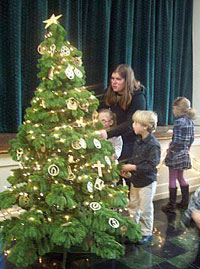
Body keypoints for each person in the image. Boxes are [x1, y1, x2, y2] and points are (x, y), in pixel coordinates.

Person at [121, 110, 161, 244]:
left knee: (145, 209)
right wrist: (127, 167)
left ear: (145, 126)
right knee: (133, 205)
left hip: (147, 182)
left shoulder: (154, 145)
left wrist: (133, 168)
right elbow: (134, 158)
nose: (133, 125)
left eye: (136, 123)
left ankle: (146, 232)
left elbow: (151, 165)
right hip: (136, 180)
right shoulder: (138, 140)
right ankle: (132, 228)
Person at [99, 64, 146, 161]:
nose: (114, 82)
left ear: (127, 81)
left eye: (118, 79)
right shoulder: (108, 93)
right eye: (112, 78)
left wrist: (108, 134)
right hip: (111, 136)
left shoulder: (138, 98)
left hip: (130, 140)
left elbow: (130, 124)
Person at [161, 97, 196, 213]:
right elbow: (191, 139)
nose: (172, 111)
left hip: (175, 154)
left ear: (178, 109)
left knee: (172, 178)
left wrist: (169, 149)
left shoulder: (178, 122)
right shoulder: (190, 121)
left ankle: (171, 205)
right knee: (181, 177)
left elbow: (176, 141)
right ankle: (185, 202)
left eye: (173, 108)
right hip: (185, 153)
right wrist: (186, 149)